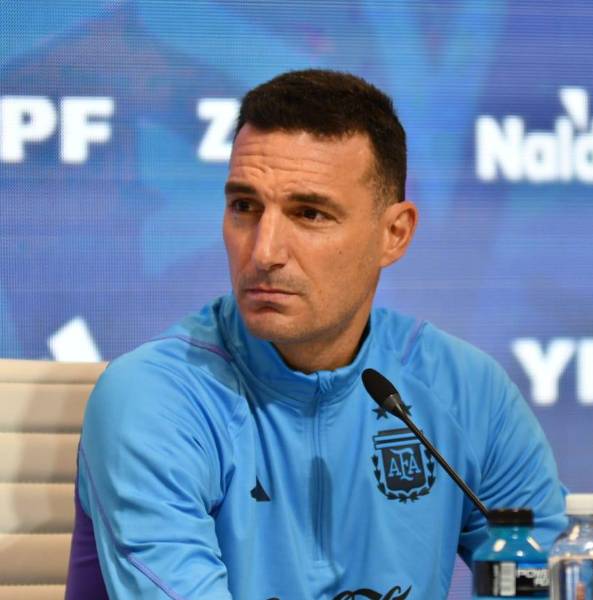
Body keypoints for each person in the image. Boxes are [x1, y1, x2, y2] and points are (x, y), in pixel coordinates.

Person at [65, 69, 566, 600]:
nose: (264, 252)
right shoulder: (155, 399)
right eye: (244, 207)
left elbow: (542, 583)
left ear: (394, 234)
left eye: (309, 213)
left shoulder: (468, 393)